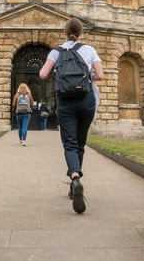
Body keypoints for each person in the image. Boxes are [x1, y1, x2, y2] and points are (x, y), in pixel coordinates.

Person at [40, 18, 104, 214]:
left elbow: (43, 74)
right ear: (81, 33)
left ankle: (74, 177)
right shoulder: (89, 50)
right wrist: (86, 76)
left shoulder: (56, 51)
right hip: (86, 100)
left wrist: (59, 75)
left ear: (64, 33)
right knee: (80, 144)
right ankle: (75, 183)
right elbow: (100, 76)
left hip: (66, 101)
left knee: (69, 144)